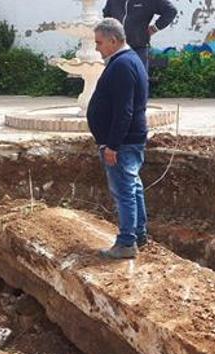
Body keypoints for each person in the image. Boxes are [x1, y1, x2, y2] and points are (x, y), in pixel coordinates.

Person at [87, 19, 149, 260]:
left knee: (124, 190)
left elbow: (125, 110)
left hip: (122, 143)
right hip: (129, 139)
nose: (97, 48)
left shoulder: (122, 65)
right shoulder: (129, 60)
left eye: (99, 43)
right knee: (133, 187)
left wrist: (112, 144)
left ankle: (126, 243)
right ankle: (139, 234)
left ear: (114, 40)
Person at [102, 0, 177, 73]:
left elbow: (171, 11)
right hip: (115, 50)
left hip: (138, 49)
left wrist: (155, 28)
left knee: (138, 81)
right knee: (115, 81)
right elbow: (107, 15)